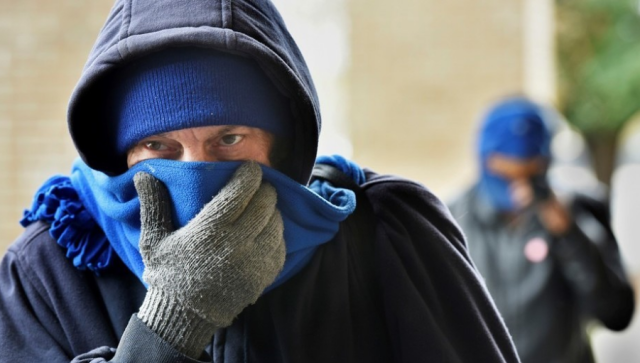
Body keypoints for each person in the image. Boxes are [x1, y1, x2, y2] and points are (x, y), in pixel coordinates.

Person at [0, 1, 521, 362]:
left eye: (229, 139)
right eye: (158, 146)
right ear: (120, 153)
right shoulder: (49, 272)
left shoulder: (384, 236)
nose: (196, 169)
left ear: (282, 144)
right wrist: (171, 324)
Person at [447, 96, 635, 363]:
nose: (519, 188)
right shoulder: (452, 219)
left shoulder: (579, 210)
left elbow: (616, 313)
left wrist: (569, 234)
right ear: (487, 160)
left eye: (531, 174)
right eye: (507, 174)